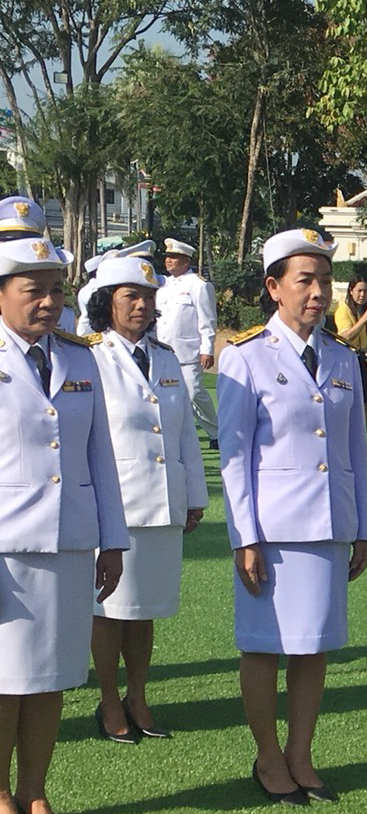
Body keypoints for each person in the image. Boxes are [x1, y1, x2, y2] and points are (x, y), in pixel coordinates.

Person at [217, 228, 367, 805]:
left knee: (315, 647)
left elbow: (354, 452)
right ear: (273, 287)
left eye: (323, 280)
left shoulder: (342, 357)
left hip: (329, 525)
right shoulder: (247, 356)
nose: (316, 292)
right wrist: (244, 537)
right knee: (263, 647)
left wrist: (363, 528)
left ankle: (301, 753)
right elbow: (234, 457)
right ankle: (266, 756)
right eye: (304, 280)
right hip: (272, 531)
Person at [0, 235, 128, 814]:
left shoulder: (81, 359)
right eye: (33, 291)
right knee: (5, 681)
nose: (48, 302)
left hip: (69, 539)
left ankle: (35, 789)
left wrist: (113, 538)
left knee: (51, 677)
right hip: (6, 547)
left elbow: (99, 454)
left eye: (55, 290)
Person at [85, 254, 208, 742]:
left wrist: (193, 495)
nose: (142, 305)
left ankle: (139, 695)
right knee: (110, 610)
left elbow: (182, 436)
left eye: (148, 297)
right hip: (116, 503)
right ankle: (109, 700)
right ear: (106, 303)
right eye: (131, 297)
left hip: (163, 500)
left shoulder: (163, 356)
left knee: (146, 608)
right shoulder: (91, 356)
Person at [156, 238, 220, 450]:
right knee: (164, 394)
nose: (168, 261)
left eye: (173, 257)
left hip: (188, 351)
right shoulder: (162, 285)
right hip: (162, 349)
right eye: (167, 257)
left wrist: (207, 349)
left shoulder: (199, 285)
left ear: (186, 260)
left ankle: (216, 432)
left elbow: (207, 319)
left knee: (194, 393)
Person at [331, 276, 367, 459]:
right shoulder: (344, 310)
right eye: (359, 290)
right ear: (351, 291)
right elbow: (344, 336)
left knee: (366, 404)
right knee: (350, 403)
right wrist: (364, 319)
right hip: (347, 359)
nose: (362, 295)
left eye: (366, 291)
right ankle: (349, 443)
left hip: (360, 359)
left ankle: (360, 443)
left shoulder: (364, 311)